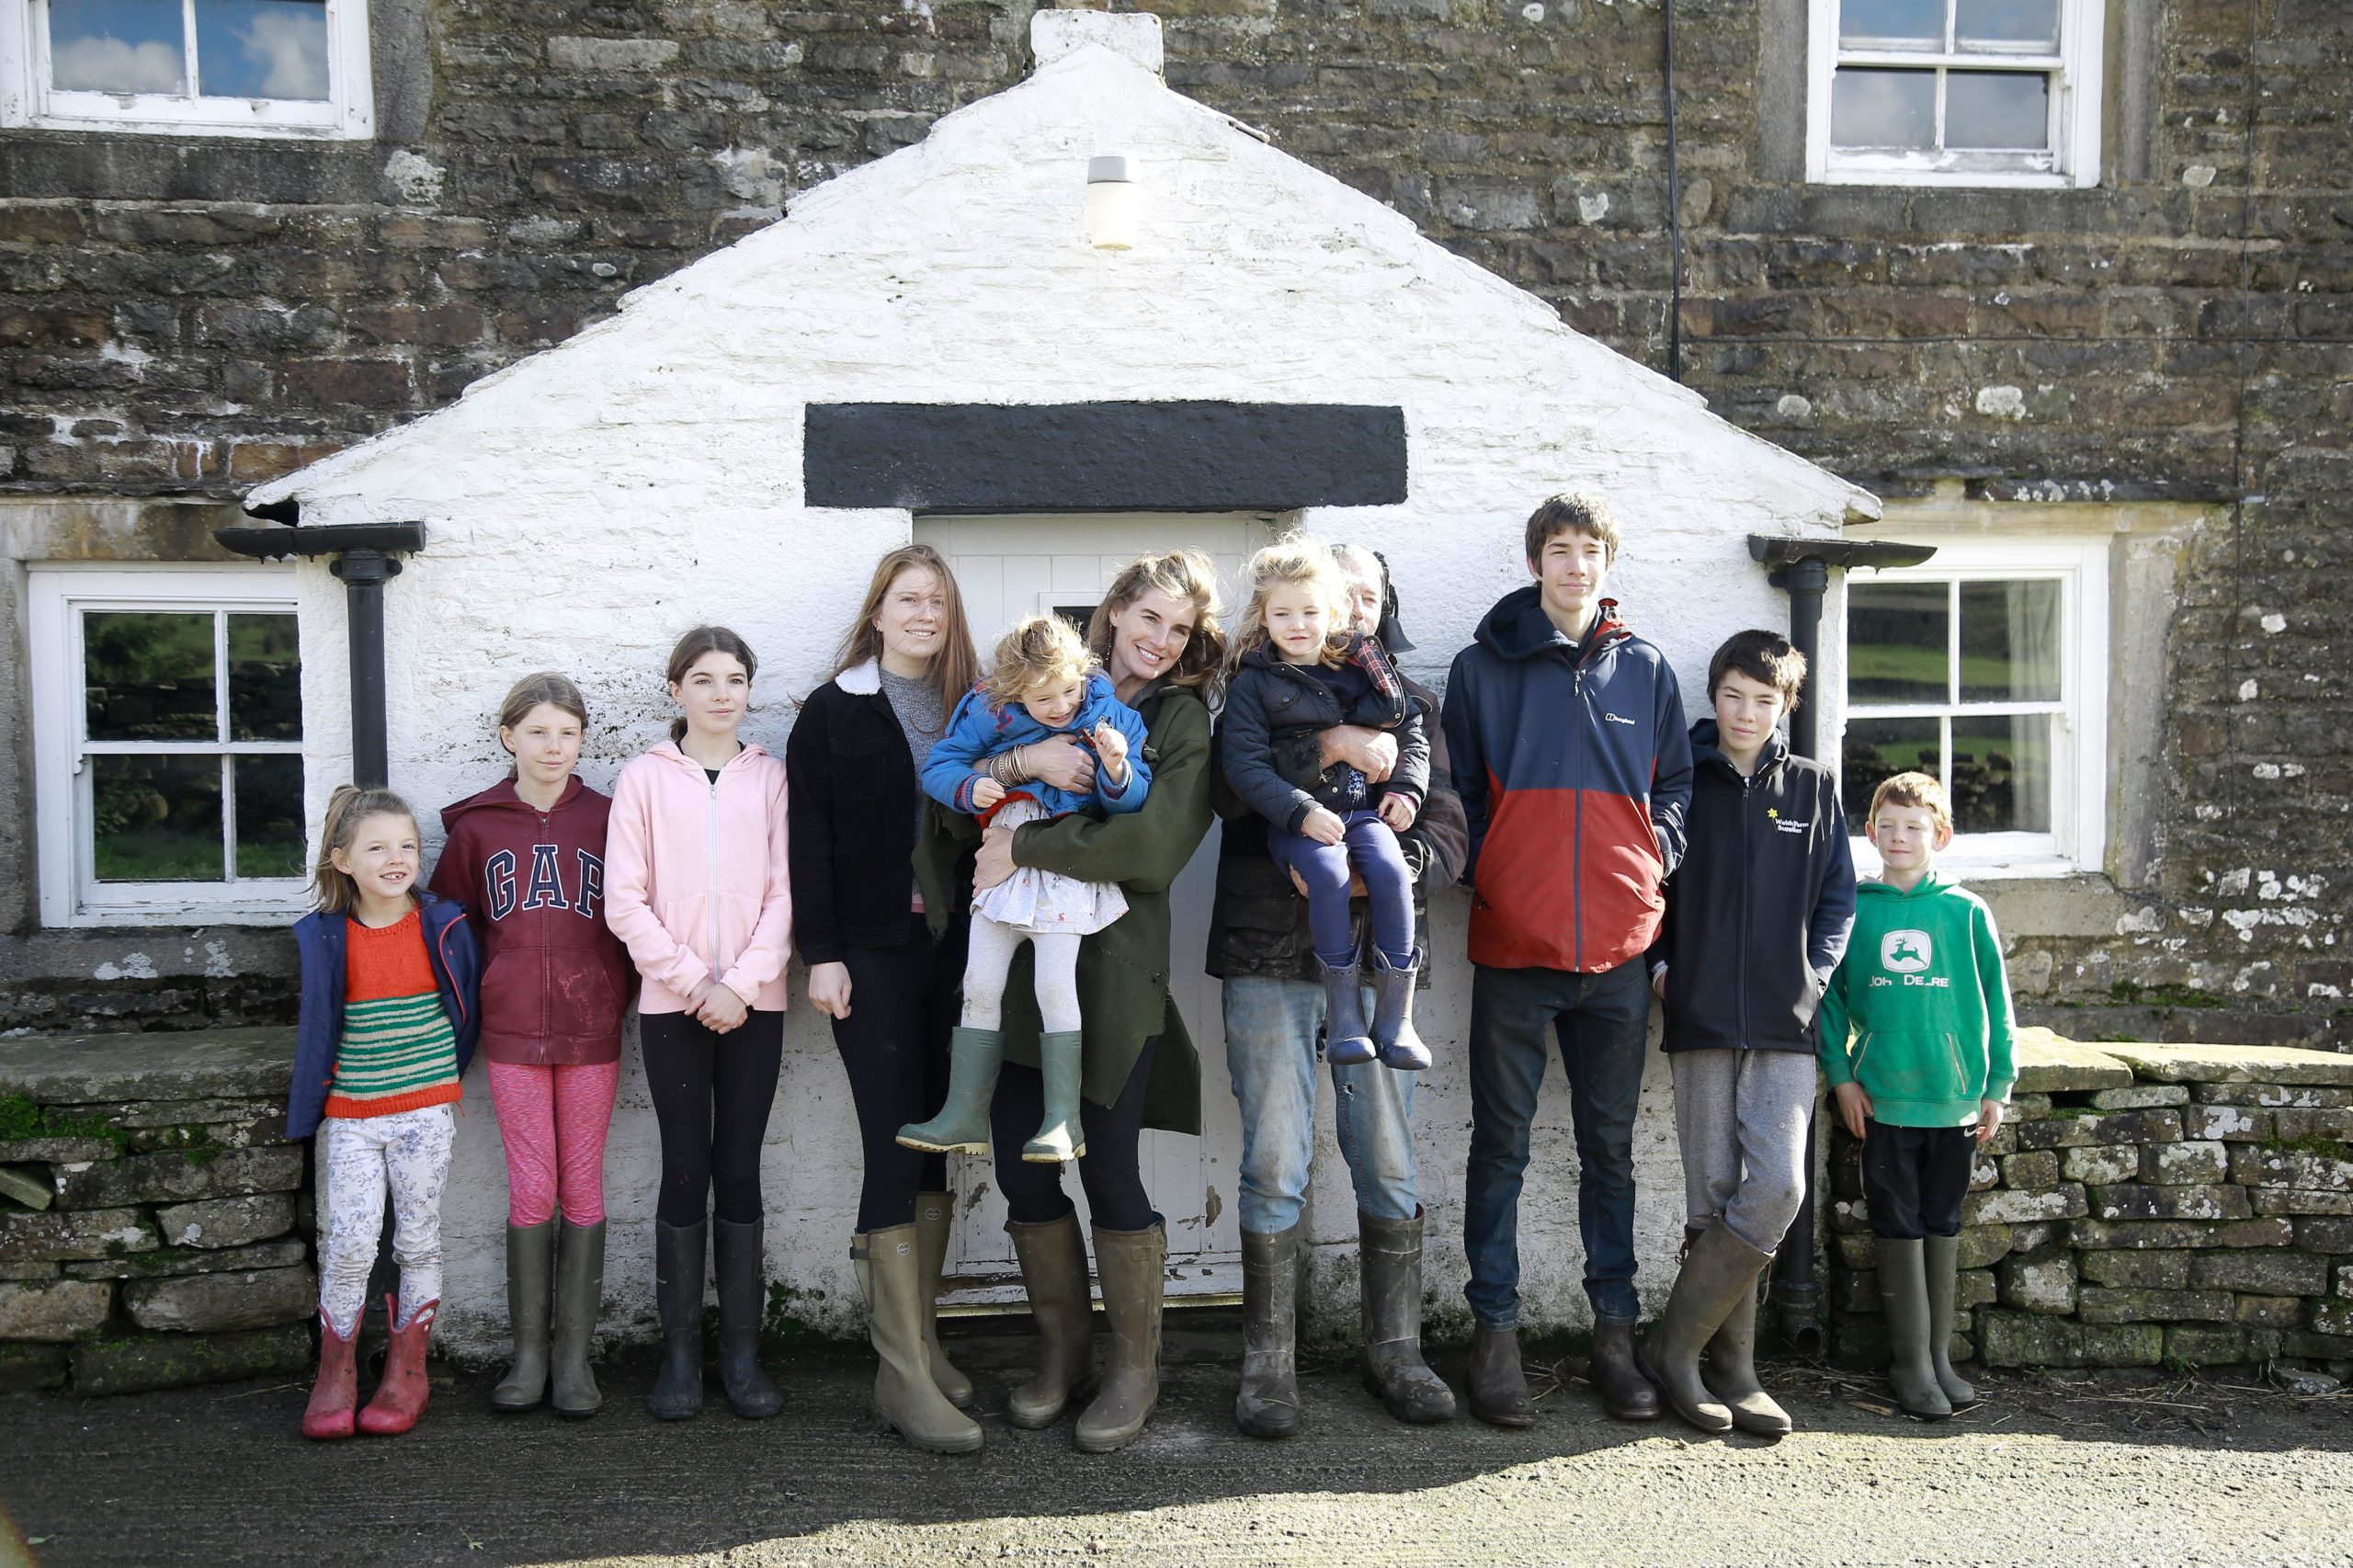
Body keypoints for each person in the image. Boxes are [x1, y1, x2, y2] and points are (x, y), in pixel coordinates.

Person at [926, 550, 1223, 1453]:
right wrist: (1019, 755)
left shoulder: (1178, 720)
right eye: (1149, 619)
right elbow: (951, 808)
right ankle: (1062, 1353)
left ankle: (1134, 1365)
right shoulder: (1036, 675)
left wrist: (1029, 848)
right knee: (1022, 1170)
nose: (1161, 641)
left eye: (1179, 629)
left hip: (1113, 977)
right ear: (1116, 609)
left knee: (1111, 1170)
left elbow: (1153, 844)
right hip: (1019, 973)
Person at [1441, 492, 1691, 1426]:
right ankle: (1494, 1338)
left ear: (1606, 563)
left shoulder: (1648, 670)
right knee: (1500, 1148)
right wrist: (1494, 870)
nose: (1575, 565)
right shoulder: (1482, 666)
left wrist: (1650, 856)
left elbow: (1671, 785)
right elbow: (1459, 791)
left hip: (1620, 954)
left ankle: (1613, 1338)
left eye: (1589, 550)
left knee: (1611, 1153)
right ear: (1536, 561)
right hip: (1515, 945)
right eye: (1559, 549)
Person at [1210, 541, 1467, 1437]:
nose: (1350, 607)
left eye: (1365, 593)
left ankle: (1394, 1349)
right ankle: (1268, 1364)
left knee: (1386, 1155)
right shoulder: (1255, 686)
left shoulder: (1411, 706)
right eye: (1336, 592)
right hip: (1265, 955)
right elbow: (1229, 791)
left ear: (1379, 602)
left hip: (1374, 966)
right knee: (1276, 1159)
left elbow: (1449, 832)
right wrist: (1323, 746)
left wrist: (1396, 858)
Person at [789, 544, 985, 1455]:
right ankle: (898, 1375)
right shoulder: (832, 711)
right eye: (908, 599)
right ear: (876, 611)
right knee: (893, 1141)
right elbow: (810, 841)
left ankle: (924, 1338)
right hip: (870, 952)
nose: (923, 615)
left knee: (941, 1138)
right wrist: (821, 954)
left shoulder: (973, 705)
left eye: (937, 602)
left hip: (957, 949)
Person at [1637, 631, 1856, 1436]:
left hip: (1784, 1020)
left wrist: (1818, 972)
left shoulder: (1812, 788)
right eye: (1734, 695)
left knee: (1780, 1188)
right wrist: (1659, 967)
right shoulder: (1680, 781)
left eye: (1765, 701)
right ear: (1714, 695)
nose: (1746, 712)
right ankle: (1727, 1368)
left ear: (1785, 708)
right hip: (1696, 1015)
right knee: (1712, 1192)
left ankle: (1676, 1350)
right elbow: (1645, 881)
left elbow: (1838, 898)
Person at [430, 673, 634, 1418]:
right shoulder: (477, 830)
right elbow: (453, 933)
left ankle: (576, 1361)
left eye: (569, 733)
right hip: (512, 1032)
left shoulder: (612, 820)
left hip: (592, 1032)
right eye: (539, 732)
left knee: (583, 1183)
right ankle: (528, 1358)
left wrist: (615, 995)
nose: (554, 747)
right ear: (509, 736)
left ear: (584, 741)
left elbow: (636, 917)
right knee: (531, 1185)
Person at [605, 626, 794, 1422]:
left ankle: (742, 1358)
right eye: (705, 679)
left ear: (750, 690)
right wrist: (694, 984)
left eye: (737, 679)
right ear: (676, 690)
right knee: (685, 1165)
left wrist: (742, 985)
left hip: (756, 1003)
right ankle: (680, 1356)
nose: (723, 694)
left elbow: (787, 893)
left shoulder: (773, 779)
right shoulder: (642, 779)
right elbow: (625, 901)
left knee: (741, 1169)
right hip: (673, 1006)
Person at [899, 614, 1151, 1166]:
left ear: (1083, 672)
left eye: (1068, 690)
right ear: (1014, 692)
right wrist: (970, 785)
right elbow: (941, 766)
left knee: (1054, 987)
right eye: (1042, 699)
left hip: (1059, 861)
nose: (1060, 707)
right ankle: (963, 1113)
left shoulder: (1110, 717)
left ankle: (1064, 1120)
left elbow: (1128, 805)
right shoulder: (990, 711)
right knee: (979, 983)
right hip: (1001, 861)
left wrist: (1116, 767)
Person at [1820, 770, 2016, 1421]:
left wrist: (1996, 1085)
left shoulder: (1965, 912)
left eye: (1916, 827)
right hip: (1884, 1102)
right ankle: (1908, 1364)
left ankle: (1939, 1358)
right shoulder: (1854, 907)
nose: (1900, 837)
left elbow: (1998, 1004)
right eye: (1888, 826)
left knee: (1943, 1222)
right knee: (1896, 1222)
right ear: (1870, 832)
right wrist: (1843, 1076)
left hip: (1953, 1099)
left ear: (1942, 836)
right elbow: (1826, 999)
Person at [292, 786, 482, 1441]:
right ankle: (336, 1373)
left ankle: (407, 1373)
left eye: (407, 846)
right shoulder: (326, 936)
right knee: (347, 1246)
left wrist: (437, 1083)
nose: (397, 858)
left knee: (417, 1239)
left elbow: (465, 1016)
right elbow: (319, 1025)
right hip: (352, 1115)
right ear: (343, 860)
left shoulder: (444, 923)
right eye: (377, 848)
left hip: (426, 1111)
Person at [1219, 537, 1430, 1071]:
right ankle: (1345, 1018)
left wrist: (1404, 790)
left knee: (1391, 868)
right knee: (1330, 871)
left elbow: (1405, 727)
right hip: (1285, 882)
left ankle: (1396, 1017)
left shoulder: (1365, 674)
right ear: (1263, 617)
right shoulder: (1253, 685)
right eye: (1283, 612)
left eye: (1313, 611)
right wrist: (1306, 795)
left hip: (1361, 814)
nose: (1298, 624)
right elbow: (1237, 775)